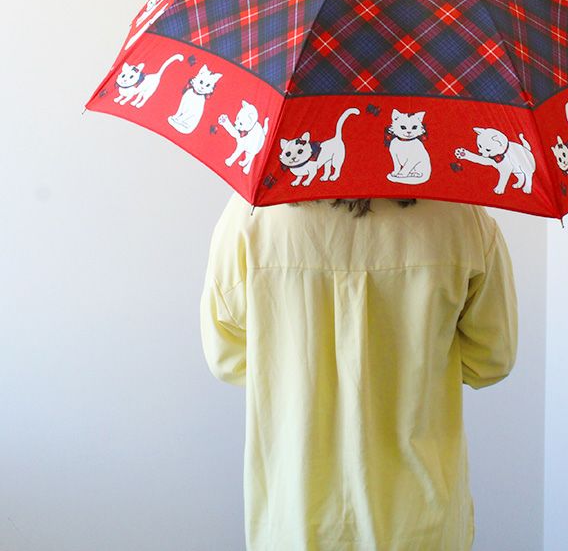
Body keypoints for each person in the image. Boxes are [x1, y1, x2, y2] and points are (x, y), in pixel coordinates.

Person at [200, 195, 518, 551]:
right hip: (419, 520)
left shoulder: (251, 216)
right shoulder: (461, 216)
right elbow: (491, 360)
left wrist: (291, 367)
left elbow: (226, 358)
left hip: (296, 515)